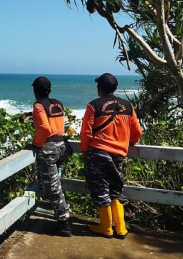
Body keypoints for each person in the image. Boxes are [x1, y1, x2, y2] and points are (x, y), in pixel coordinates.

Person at [80, 73, 142, 239]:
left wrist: (85, 150)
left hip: (98, 152)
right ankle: (121, 229)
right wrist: (131, 142)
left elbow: (86, 132)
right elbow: (137, 132)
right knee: (116, 188)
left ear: (99, 88)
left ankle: (106, 228)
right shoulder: (127, 106)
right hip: (119, 154)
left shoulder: (93, 106)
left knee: (100, 189)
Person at [20, 76, 71, 237]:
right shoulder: (57, 103)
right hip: (62, 147)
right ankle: (61, 216)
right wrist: (29, 114)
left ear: (35, 91)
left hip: (48, 149)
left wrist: (35, 144)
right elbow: (49, 116)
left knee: (53, 188)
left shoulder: (38, 105)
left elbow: (45, 129)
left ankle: (64, 225)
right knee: (52, 183)